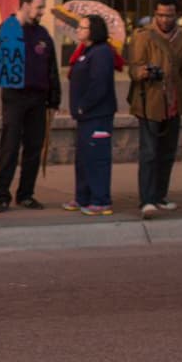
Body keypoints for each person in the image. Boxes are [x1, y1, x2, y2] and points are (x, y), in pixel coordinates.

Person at [0, 0, 62, 212]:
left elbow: (52, 69)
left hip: (38, 97)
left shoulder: (42, 34)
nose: (42, 11)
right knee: (10, 147)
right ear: (25, 4)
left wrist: (54, 100)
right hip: (15, 96)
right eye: (39, 6)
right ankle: (2, 194)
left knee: (33, 148)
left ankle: (26, 193)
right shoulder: (8, 29)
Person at [125, 0, 182, 217]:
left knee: (168, 152)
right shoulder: (144, 36)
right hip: (149, 100)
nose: (164, 19)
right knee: (150, 152)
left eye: (169, 15)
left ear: (176, 15)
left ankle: (160, 194)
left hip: (172, 101)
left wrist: (181, 99)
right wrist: (143, 72)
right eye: (160, 15)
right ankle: (147, 199)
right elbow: (133, 68)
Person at [66, 14, 119, 216]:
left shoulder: (102, 53)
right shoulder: (85, 51)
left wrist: (84, 105)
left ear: (93, 31)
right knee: (84, 158)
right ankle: (83, 196)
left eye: (83, 27)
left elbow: (100, 83)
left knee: (97, 158)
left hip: (97, 114)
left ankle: (101, 199)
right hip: (85, 117)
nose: (78, 30)